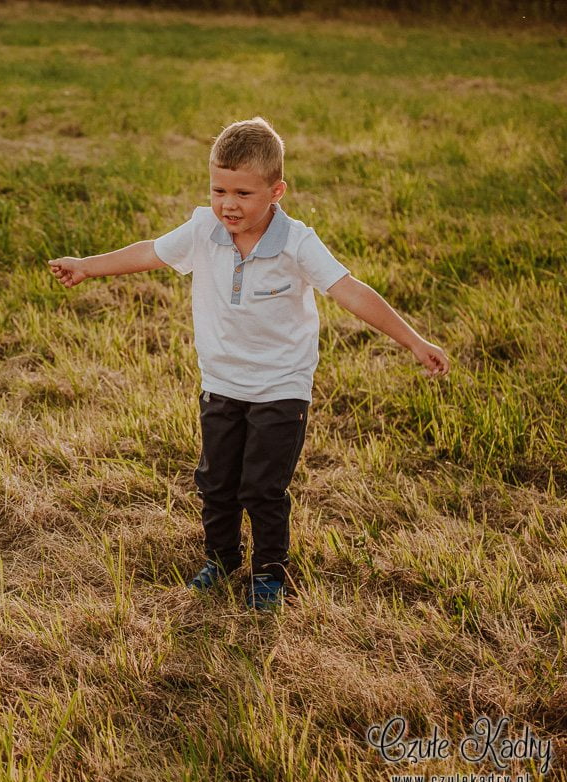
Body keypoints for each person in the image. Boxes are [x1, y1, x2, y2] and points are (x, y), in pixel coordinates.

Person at [47, 117, 450, 611]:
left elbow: (350, 291)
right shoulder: (203, 229)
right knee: (216, 482)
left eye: (243, 193)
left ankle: (268, 573)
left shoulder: (298, 243)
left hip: (282, 386)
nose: (228, 204)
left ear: (276, 191)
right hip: (221, 381)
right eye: (218, 189)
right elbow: (151, 253)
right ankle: (221, 558)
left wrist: (412, 340)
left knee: (261, 486)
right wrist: (87, 265)